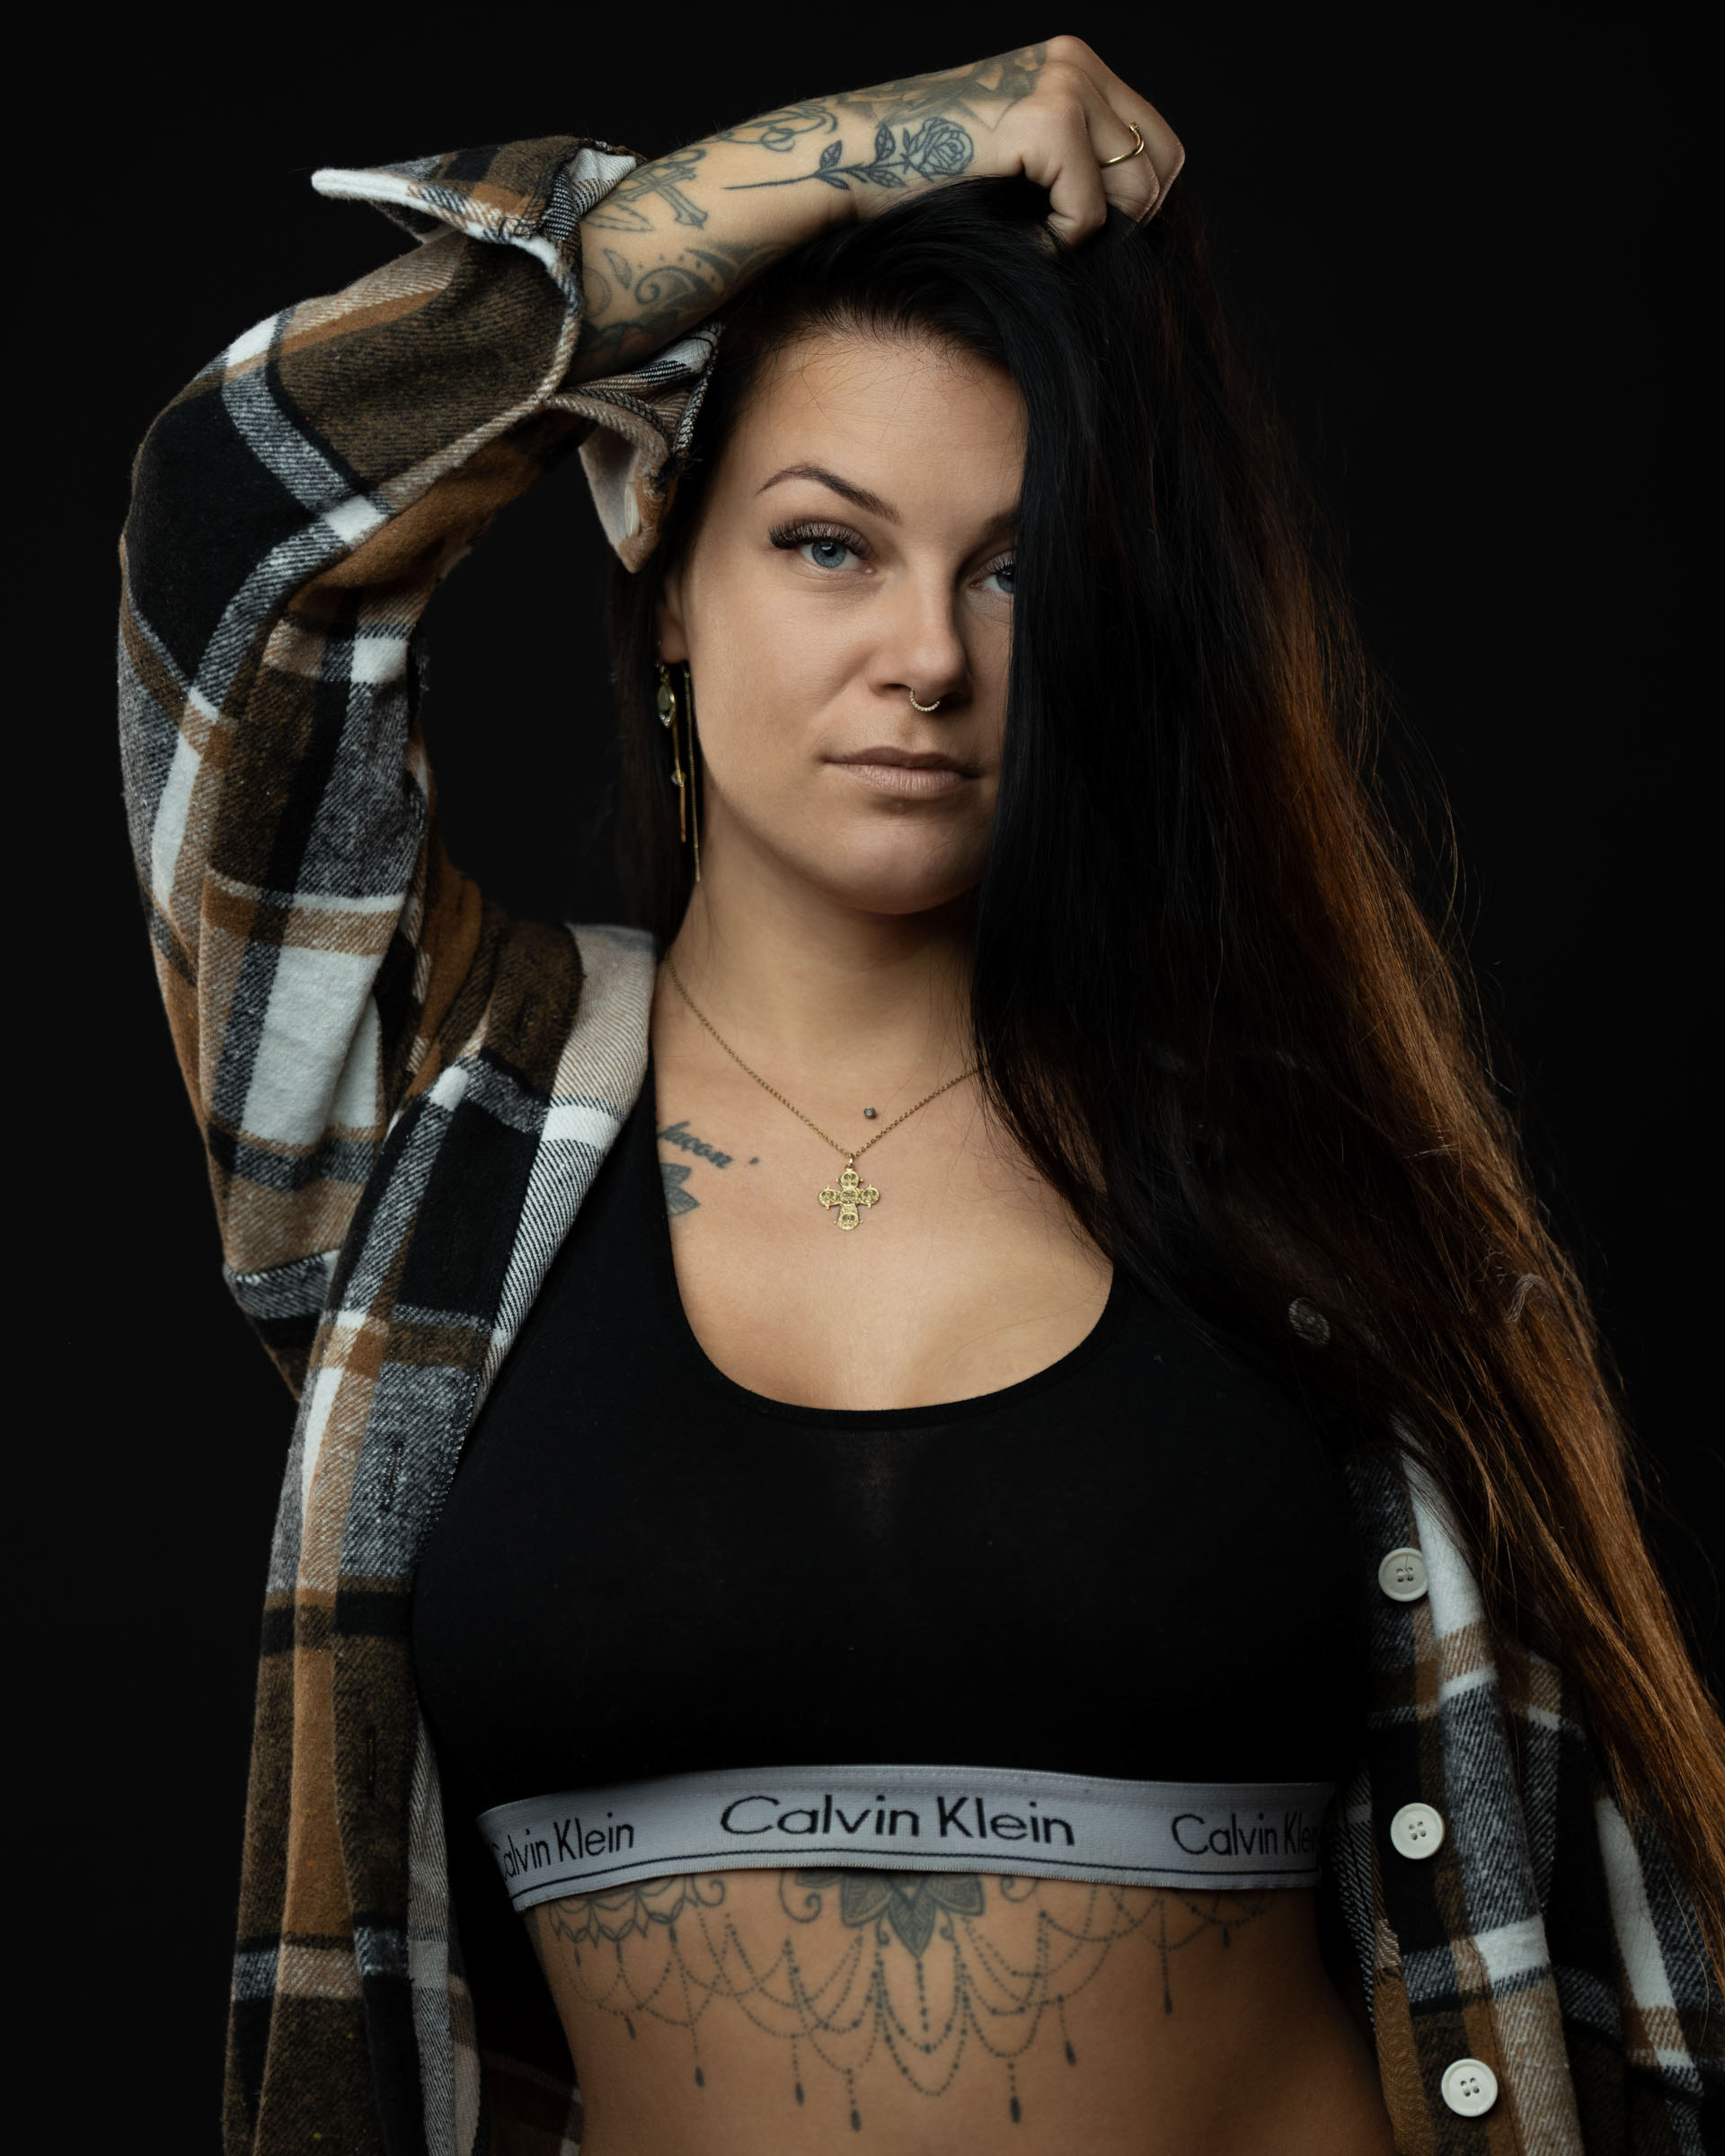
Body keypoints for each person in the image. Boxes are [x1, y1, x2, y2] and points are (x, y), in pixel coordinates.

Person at [117, 37, 1722, 2156]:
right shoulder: (441, 1121)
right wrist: (893, 146)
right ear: (664, 580)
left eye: (1013, 567)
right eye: (827, 545)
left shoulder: (1311, 1182)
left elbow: (1603, 1961)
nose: (931, 659)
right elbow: (238, 517)